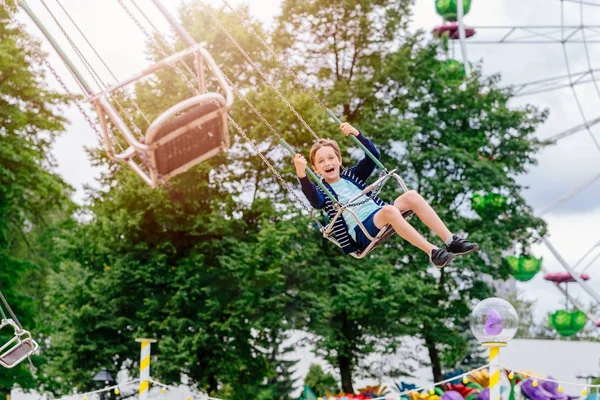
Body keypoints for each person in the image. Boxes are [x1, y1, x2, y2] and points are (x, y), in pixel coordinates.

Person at [293, 122, 478, 267]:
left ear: (339, 160)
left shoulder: (351, 176)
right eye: (321, 161)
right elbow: (315, 202)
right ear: (316, 169)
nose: (327, 163)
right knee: (389, 210)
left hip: (379, 213)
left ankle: (450, 240)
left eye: (331, 158)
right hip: (362, 230)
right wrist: (302, 175)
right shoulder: (322, 191)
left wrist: (357, 135)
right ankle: (432, 252)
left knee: (411, 196)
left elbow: (373, 156)